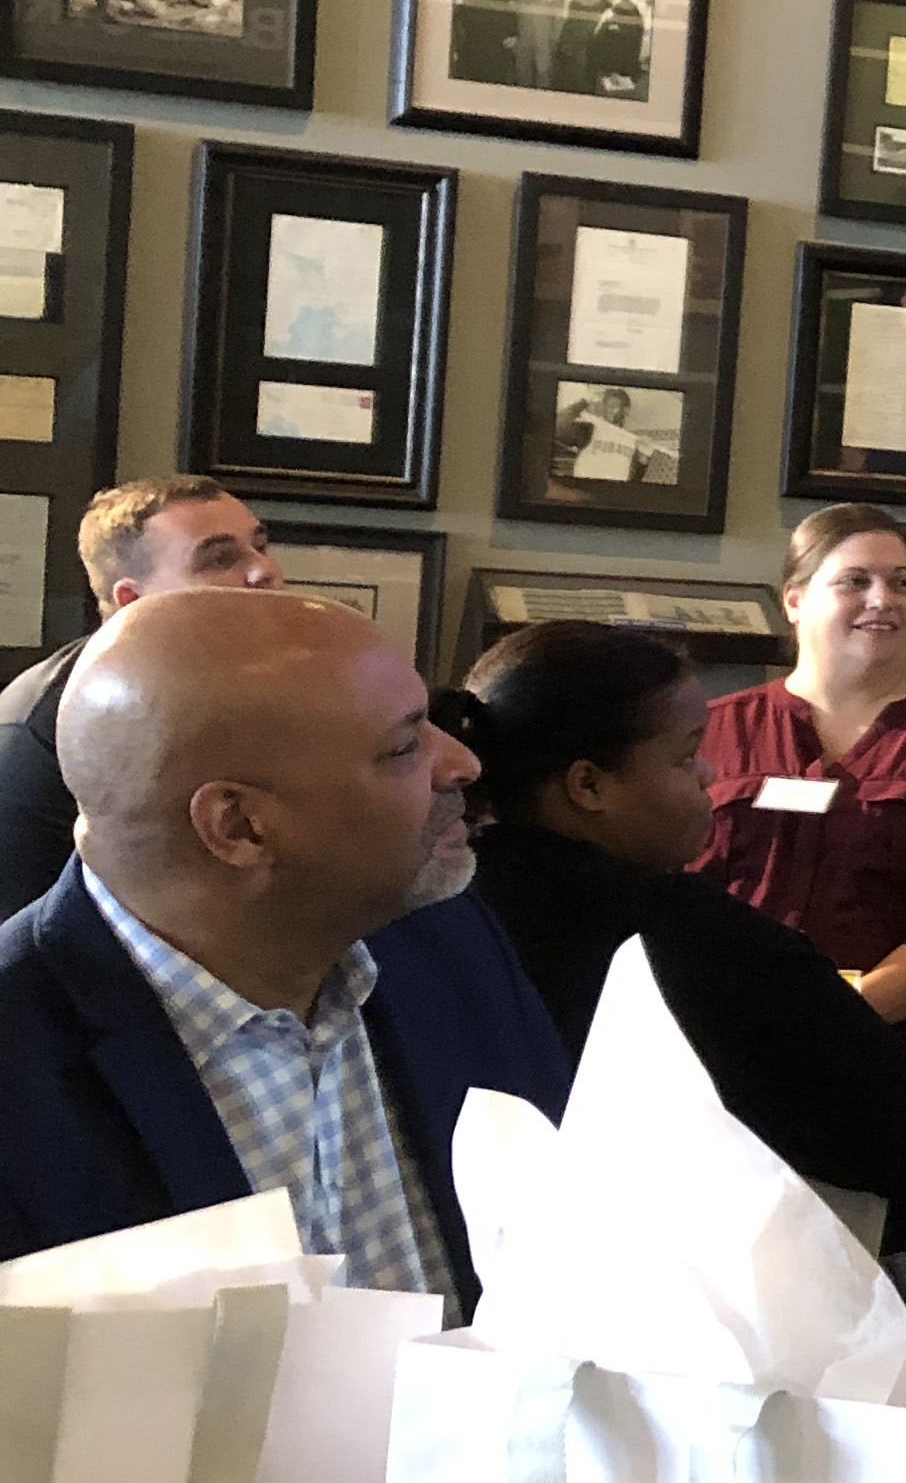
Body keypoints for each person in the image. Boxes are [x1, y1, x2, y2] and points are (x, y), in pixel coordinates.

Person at [0, 592, 568, 1292]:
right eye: (403, 746)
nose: (461, 764)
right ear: (240, 827)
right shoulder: (21, 1058)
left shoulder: (447, 941)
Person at [459, 620, 906, 1254]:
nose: (709, 774)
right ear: (588, 785)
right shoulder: (701, 940)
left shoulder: (431, 913)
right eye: (684, 756)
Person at [693, 506, 906, 1120]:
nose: (882, 599)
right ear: (795, 601)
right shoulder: (710, 733)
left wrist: (838, 1016)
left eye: (902, 583)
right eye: (855, 581)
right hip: (710, 1055)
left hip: (903, 1067)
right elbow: (659, 891)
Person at [0, 478, 294, 916]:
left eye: (260, 546)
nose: (265, 571)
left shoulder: (285, 687)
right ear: (133, 600)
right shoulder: (39, 731)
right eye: (220, 558)